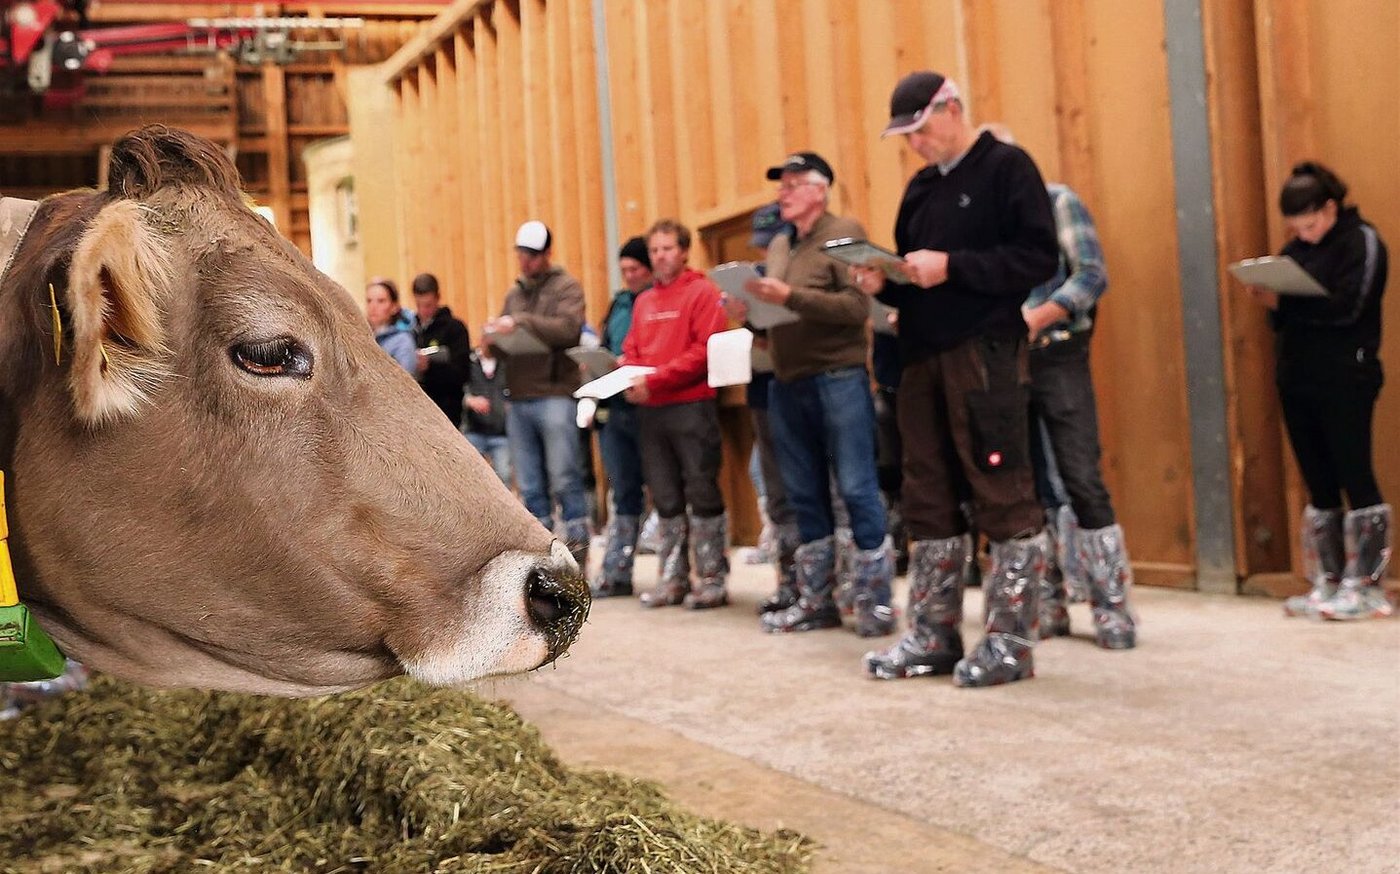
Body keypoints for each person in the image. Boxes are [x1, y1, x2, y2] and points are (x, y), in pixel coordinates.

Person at [851, 71, 1059, 687]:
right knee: (926, 492)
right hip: (921, 358)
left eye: (920, 129)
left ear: (952, 108)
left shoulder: (1007, 168)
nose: (915, 144)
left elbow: (1039, 257)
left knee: (1002, 486)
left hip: (985, 354)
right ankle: (934, 633)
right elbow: (917, 274)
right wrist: (883, 280)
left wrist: (954, 267)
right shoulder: (919, 191)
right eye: (905, 136)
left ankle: (1010, 642)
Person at [981, 128, 1136, 649]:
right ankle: (1046, 603)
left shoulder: (1057, 201)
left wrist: (1036, 317)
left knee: (1079, 475)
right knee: (1025, 488)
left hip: (1059, 352)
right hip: (1004, 362)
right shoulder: (982, 226)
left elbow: (1091, 275)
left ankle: (1111, 605)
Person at [739, 152, 894, 639]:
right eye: (780, 185)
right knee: (803, 494)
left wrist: (789, 299)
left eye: (791, 184)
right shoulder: (781, 244)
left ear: (819, 189)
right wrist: (755, 316)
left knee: (855, 486)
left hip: (837, 377)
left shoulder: (844, 232)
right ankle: (818, 601)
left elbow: (855, 307)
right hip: (787, 381)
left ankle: (875, 603)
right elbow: (783, 308)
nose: (782, 193)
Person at [1248, 162, 1391, 621]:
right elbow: (1285, 317)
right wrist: (1272, 299)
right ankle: (1327, 580)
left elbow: (1351, 307)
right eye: (1296, 228)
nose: (1305, 235)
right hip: (1299, 377)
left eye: (1311, 225)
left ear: (1330, 208)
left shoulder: (1362, 241)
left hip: (1346, 376)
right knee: (1318, 481)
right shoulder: (1295, 251)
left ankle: (1368, 584)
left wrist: (1286, 302)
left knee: (1355, 473)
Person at [622, 219, 731, 609]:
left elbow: (705, 351)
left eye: (667, 249)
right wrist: (629, 372)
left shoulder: (702, 292)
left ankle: (712, 576)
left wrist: (658, 379)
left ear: (684, 251)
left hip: (691, 405)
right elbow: (632, 348)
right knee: (664, 495)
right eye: (654, 251)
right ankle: (673, 578)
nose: (660, 256)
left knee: (701, 489)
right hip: (651, 410)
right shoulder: (643, 302)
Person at [484, 220, 590, 564]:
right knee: (529, 485)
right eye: (521, 255)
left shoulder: (567, 287)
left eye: (532, 255)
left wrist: (522, 322)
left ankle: (578, 553)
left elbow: (569, 330)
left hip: (555, 394)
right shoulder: (514, 294)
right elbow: (504, 342)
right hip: (520, 397)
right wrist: (492, 342)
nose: (525, 262)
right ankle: (543, 558)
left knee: (565, 477)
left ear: (546, 255)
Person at [590, 236, 653, 598]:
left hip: (649, 404)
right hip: (614, 405)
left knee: (666, 490)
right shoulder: (619, 303)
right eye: (624, 270)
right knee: (623, 490)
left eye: (635, 269)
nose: (629, 276)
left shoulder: (654, 299)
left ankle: (682, 569)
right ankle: (618, 570)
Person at [411, 273, 472, 427]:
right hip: (418, 410)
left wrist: (430, 366)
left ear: (438, 298)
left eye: (428, 305)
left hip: (447, 410)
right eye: (419, 305)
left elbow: (462, 373)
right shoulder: (410, 330)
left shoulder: (455, 329)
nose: (423, 310)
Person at [463, 343, 512, 485]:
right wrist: (469, 400)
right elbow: (455, 391)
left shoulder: (507, 366)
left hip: (501, 433)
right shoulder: (469, 364)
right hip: (474, 430)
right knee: (469, 476)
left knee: (504, 475)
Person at [366, 277, 417, 373]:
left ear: (394, 307)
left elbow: (405, 382)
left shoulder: (403, 341)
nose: (373, 306)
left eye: (381, 301)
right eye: (369, 301)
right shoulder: (363, 337)